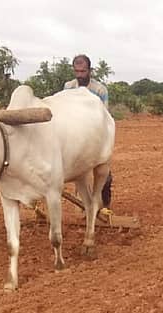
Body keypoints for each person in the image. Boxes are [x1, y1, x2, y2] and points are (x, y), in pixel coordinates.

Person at [64, 55, 112, 210]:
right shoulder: (68, 87)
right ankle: (84, 205)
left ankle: (104, 205)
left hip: (95, 137)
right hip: (75, 136)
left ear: (90, 71)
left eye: (83, 71)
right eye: (77, 71)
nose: (79, 75)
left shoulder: (100, 90)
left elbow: (104, 118)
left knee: (104, 174)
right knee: (77, 173)